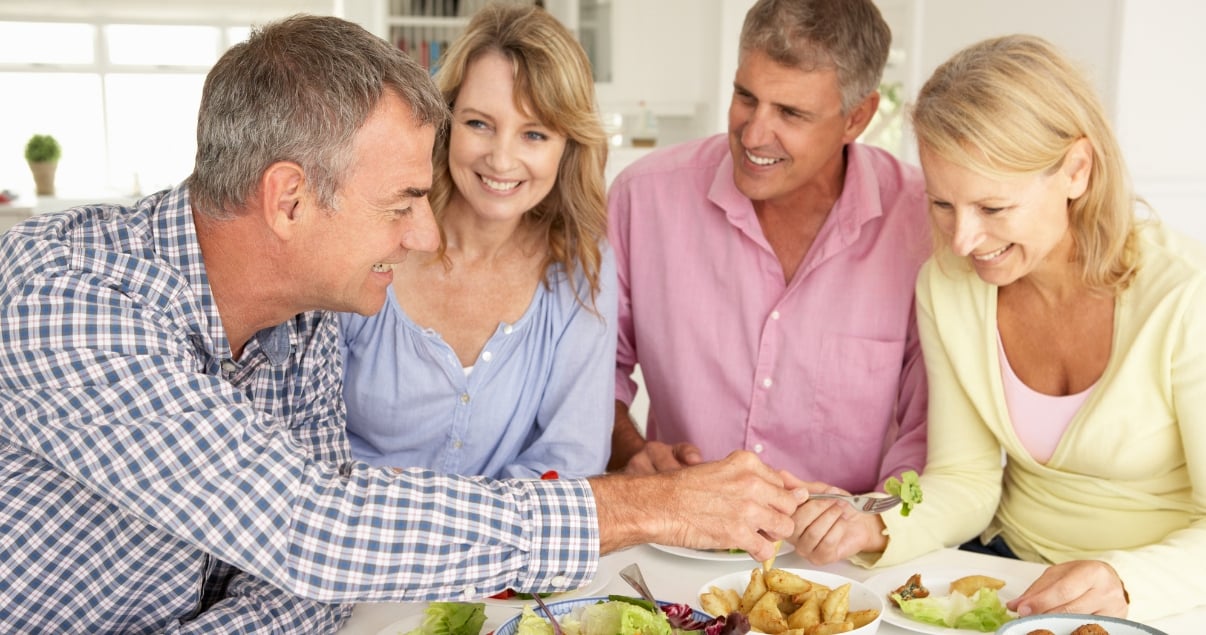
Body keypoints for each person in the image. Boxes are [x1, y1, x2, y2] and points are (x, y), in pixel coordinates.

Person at [0, 14, 805, 633]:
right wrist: (651, 507)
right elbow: (311, 526)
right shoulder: (65, 302)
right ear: (288, 200)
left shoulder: (308, 313)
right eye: (402, 204)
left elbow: (305, 579)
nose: (423, 235)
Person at [792, 34, 1206, 621]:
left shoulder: (1187, 295)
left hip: (1162, 597)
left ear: (1076, 171)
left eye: (992, 208)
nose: (963, 241)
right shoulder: (949, 285)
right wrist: (873, 523)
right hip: (1008, 577)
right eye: (942, 205)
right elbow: (965, 478)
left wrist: (1125, 579)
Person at [607, 0, 929, 496]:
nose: (754, 134)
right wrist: (631, 453)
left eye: (791, 113)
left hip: (847, 559)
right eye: (745, 96)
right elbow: (590, 375)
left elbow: (927, 433)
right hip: (675, 541)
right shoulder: (642, 198)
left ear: (856, 118)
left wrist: (871, 525)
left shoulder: (922, 225)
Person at [340, 4, 615, 480]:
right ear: (445, 124)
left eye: (534, 133)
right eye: (478, 124)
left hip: (505, 554)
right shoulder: (377, 237)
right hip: (352, 541)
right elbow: (303, 441)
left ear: (567, 145)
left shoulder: (581, 265)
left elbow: (571, 462)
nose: (501, 159)